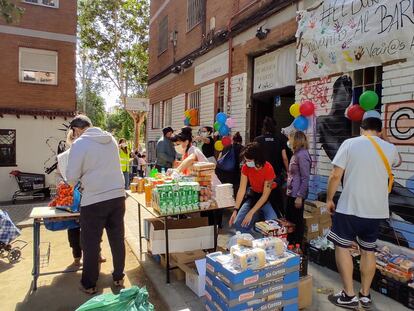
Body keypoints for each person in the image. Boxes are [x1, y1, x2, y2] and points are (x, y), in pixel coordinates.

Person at [326, 111, 401, 309]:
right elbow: (398, 161)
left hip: (350, 207)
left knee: (342, 247)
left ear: (361, 129)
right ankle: (365, 295)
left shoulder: (350, 144)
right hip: (376, 211)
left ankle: (349, 295)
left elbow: (335, 175)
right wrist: (385, 140)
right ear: (380, 130)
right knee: (369, 251)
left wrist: (329, 199)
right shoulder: (390, 148)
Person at [66, 115, 126, 295]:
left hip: (94, 199)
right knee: (117, 238)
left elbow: (71, 178)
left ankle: (89, 283)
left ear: (76, 130)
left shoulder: (79, 144)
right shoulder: (111, 139)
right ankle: (118, 277)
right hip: (117, 196)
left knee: (90, 242)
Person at [57, 129, 106, 267]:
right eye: (74, 136)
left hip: (81, 196)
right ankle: (81, 254)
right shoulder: (66, 156)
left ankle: (85, 254)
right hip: (78, 195)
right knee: (81, 226)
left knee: (85, 226)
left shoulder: (80, 153)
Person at [229, 142, 278, 234]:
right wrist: (235, 209)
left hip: (267, 199)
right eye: (246, 160)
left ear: (257, 159)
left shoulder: (268, 168)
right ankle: (248, 243)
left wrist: (251, 213)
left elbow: (265, 196)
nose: (247, 163)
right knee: (239, 223)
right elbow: (242, 189)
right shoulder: (245, 167)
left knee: (273, 225)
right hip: (253, 196)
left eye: (249, 160)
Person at [254, 117, 289, 217]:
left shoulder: (258, 140)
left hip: (262, 175)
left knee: (263, 199)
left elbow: (255, 157)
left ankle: (262, 222)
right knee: (277, 199)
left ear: (264, 127)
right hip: (276, 176)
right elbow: (285, 158)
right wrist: (288, 171)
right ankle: (279, 221)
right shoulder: (280, 139)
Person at [285, 131, 311, 247]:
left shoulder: (303, 155)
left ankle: (297, 245)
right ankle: (290, 242)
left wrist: (300, 196)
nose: (289, 142)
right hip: (291, 193)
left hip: (297, 195)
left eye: (290, 139)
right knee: (290, 220)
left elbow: (305, 178)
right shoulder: (296, 154)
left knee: (297, 221)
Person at [216, 132, 244, 196]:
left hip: (222, 173)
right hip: (234, 174)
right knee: (234, 192)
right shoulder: (242, 148)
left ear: (233, 140)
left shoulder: (226, 147)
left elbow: (219, 159)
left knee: (225, 192)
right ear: (241, 141)